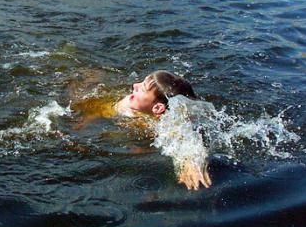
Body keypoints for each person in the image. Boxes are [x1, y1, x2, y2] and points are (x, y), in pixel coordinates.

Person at [72, 70, 212, 190]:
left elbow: (188, 140)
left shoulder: (169, 121)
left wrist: (191, 163)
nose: (134, 85)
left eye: (142, 88)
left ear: (158, 108)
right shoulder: (127, 104)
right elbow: (101, 109)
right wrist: (86, 120)